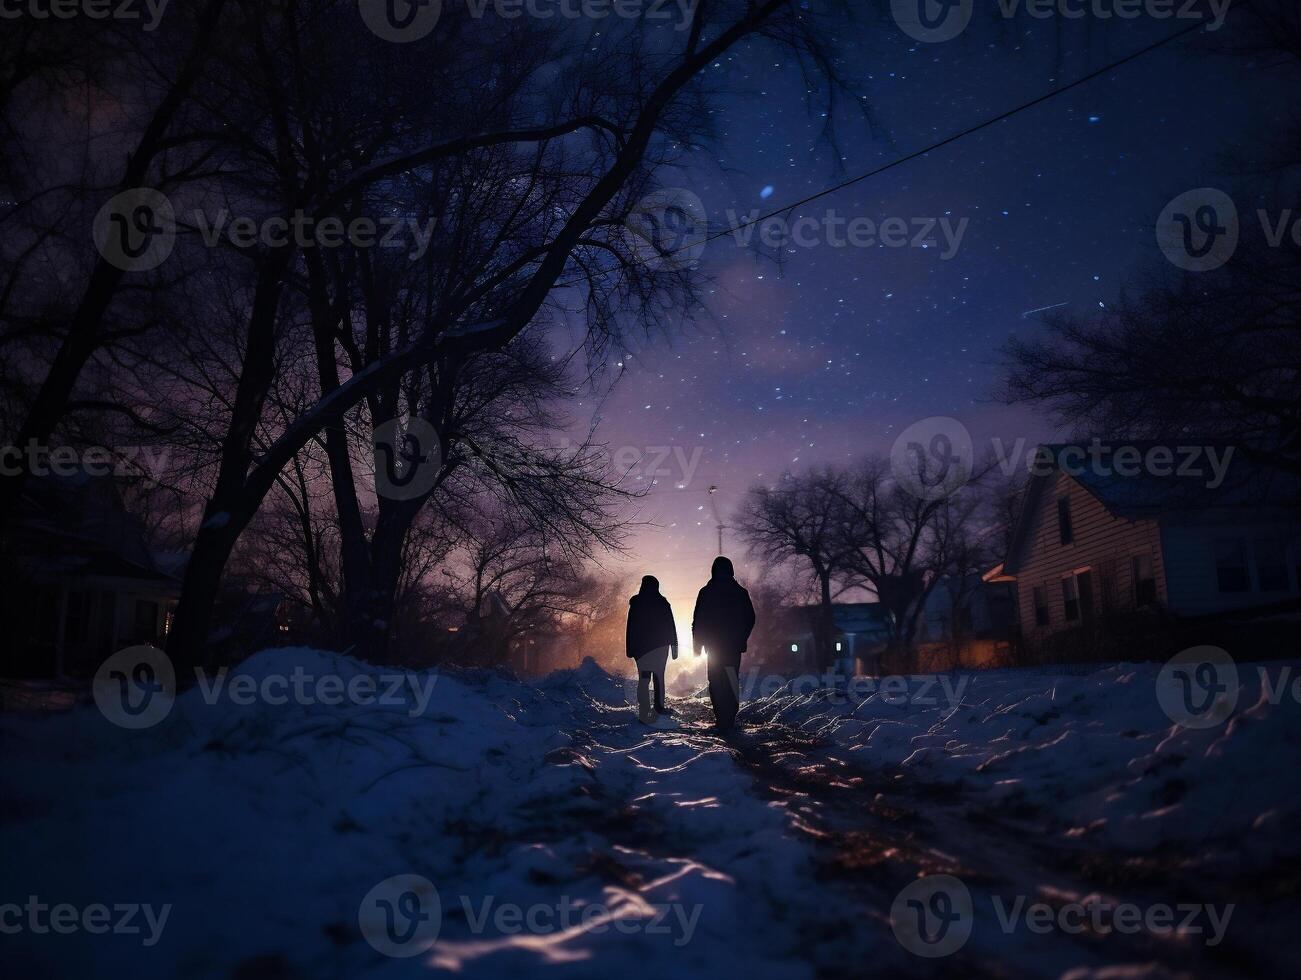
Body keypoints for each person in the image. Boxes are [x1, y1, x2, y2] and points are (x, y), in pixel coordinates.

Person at [691, 556, 756, 732]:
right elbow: (750, 618)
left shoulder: (706, 592)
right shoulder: (740, 592)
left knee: (716, 680)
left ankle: (721, 717)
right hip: (732, 646)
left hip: (713, 646)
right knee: (731, 679)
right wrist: (741, 636)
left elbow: (698, 620)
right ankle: (730, 717)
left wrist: (698, 644)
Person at [625, 575, 678, 724]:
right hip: (660, 648)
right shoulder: (662, 603)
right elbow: (670, 626)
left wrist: (630, 649)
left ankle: (644, 710)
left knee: (644, 678)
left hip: (641, 649)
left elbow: (631, 628)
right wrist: (674, 647)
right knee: (658, 677)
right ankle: (659, 707)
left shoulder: (636, 604)